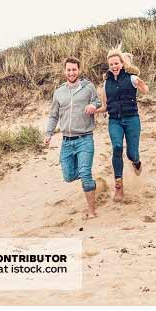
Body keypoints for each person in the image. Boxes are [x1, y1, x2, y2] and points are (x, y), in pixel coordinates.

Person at [45, 57, 103, 219]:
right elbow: (53, 116)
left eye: (74, 69)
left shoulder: (87, 87)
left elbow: (97, 101)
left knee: (84, 173)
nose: (71, 72)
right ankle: (89, 180)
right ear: (65, 71)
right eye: (69, 70)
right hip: (67, 142)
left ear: (79, 70)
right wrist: (48, 133)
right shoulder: (58, 92)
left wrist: (93, 105)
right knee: (69, 176)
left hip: (85, 138)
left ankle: (92, 211)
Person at [91, 50, 147, 203]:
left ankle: (136, 162)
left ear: (122, 64)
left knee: (131, 154)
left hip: (132, 120)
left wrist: (141, 85)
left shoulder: (132, 78)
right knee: (116, 148)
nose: (114, 66)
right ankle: (119, 189)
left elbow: (145, 90)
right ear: (108, 66)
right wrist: (93, 110)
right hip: (114, 121)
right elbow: (105, 106)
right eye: (111, 64)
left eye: (116, 63)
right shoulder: (106, 84)